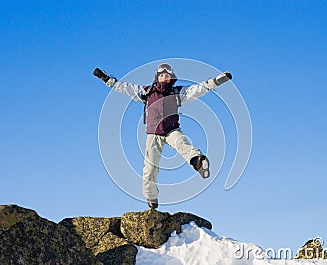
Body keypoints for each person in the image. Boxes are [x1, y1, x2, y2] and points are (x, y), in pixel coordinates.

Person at [94, 63, 232, 209]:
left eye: (167, 75)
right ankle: (151, 196)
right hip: (153, 134)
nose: (164, 78)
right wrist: (107, 79)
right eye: (161, 75)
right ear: (157, 77)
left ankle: (198, 161)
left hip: (172, 130)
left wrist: (216, 81)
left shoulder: (177, 92)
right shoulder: (147, 92)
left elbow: (197, 89)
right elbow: (125, 87)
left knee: (182, 143)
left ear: (171, 77)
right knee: (150, 168)